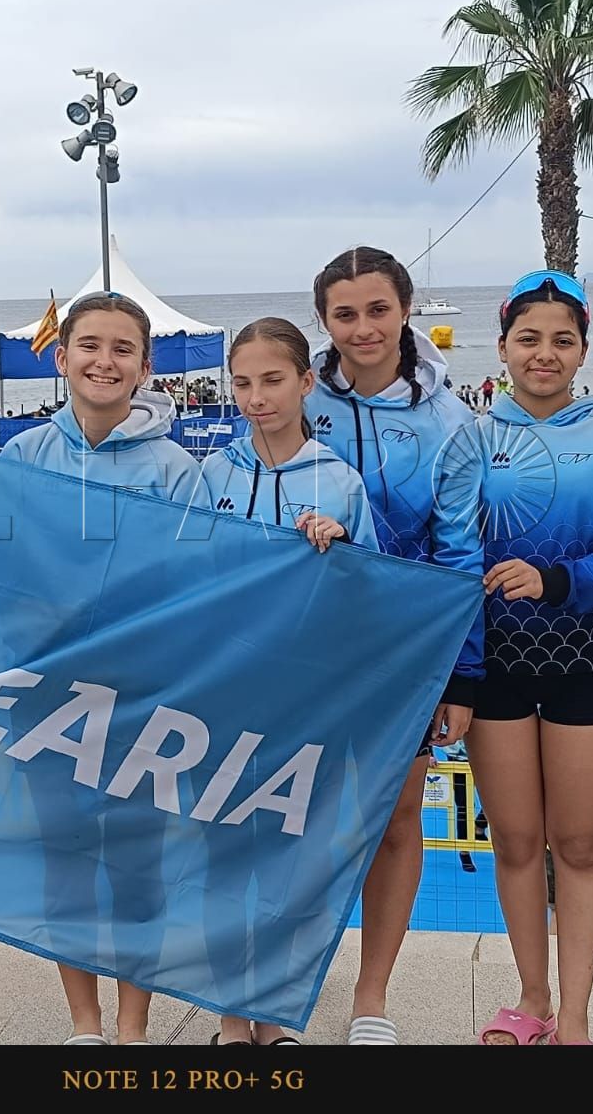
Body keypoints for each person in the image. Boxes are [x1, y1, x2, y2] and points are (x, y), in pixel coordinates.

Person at [463, 272, 593, 1047]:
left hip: (583, 659)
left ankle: (574, 1014)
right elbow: (450, 551)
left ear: (583, 348)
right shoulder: (472, 436)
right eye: (529, 338)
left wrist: (556, 581)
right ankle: (532, 998)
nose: (545, 354)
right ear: (503, 342)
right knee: (514, 841)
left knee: (578, 843)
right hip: (496, 665)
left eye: (562, 340)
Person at [0, 292, 198, 1046]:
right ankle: (84, 1022)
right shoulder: (21, 459)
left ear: (146, 367)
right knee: (67, 859)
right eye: (90, 346)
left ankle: (133, 1025)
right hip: (48, 695)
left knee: (141, 866)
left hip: (145, 695)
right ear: (62, 356)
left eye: (122, 349)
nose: (104, 361)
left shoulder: (177, 468)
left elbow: (198, 583)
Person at [303, 246, 480, 1045]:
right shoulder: (299, 397)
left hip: (405, 649)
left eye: (378, 309)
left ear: (405, 309)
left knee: (398, 816)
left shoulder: (449, 421)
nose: (364, 327)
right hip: (302, 648)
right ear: (324, 322)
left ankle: (371, 994)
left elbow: (460, 557)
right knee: (297, 813)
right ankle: (285, 978)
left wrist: (461, 674)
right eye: (345, 314)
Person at [190, 317, 377, 1047]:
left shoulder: (340, 480)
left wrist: (344, 549)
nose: (257, 397)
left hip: (306, 700)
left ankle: (278, 1012)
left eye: (273, 380)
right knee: (224, 857)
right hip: (225, 694)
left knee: (293, 862)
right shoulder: (213, 474)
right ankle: (232, 1016)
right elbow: (189, 583)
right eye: (243, 382)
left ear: (306, 381)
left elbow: (375, 597)